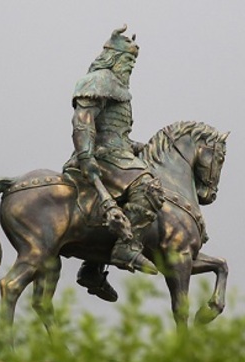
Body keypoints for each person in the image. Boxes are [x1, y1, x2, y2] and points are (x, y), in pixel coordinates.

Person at [66, 25, 164, 302]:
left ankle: (92, 268)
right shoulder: (99, 80)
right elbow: (83, 123)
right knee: (148, 187)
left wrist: (145, 149)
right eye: (128, 62)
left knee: (147, 180)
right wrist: (86, 156)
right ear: (113, 58)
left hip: (117, 153)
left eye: (133, 64)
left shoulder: (120, 88)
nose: (130, 68)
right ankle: (125, 247)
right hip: (101, 156)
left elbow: (118, 135)